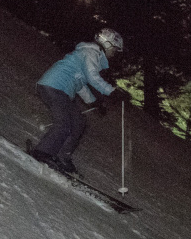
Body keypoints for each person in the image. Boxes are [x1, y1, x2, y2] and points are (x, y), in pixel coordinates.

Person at [29, 28, 128, 175]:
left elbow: (80, 83)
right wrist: (111, 91)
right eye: (114, 50)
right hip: (54, 86)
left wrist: (94, 102)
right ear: (107, 44)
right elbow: (92, 77)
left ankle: (62, 157)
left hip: (60, 91)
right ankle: (43, 152)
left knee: (78, 122)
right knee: (64, 124)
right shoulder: (91, 53)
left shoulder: (90, 55)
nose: (114, 54)